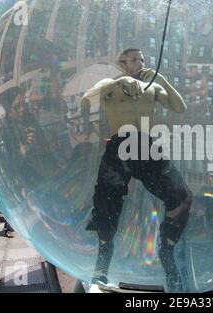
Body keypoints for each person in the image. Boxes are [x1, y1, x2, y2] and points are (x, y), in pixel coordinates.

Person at [81, 48, 192, 292]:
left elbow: (180, 106)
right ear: (122, 63)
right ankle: (102, 264)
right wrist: (119, 82)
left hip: (146, 145)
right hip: (120, 143)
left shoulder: (151, 86)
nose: (140, 63)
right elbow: (86, 99)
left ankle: (167, 251)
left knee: (182, 197)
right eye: (134, 59)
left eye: (142, 59)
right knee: (106, 203)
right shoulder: (110, 83)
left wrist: (161, 80)